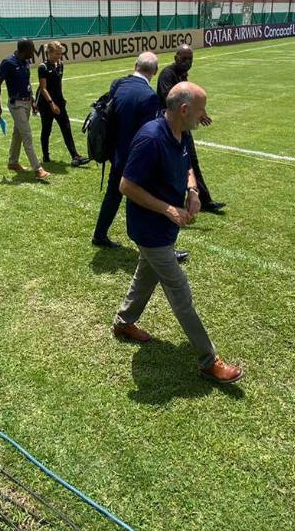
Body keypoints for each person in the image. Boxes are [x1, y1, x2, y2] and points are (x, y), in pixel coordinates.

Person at [111, 81, 243, 384]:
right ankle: (210, 361)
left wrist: (192, 190)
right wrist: (169, 209)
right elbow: (126, 186)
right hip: (150, 230)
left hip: (164, 231)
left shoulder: (180, 133)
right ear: (184, 110)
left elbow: (186, 167)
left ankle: (123, 322)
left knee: (145, 277)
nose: (204, 115)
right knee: (180, 292)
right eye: (201, 109)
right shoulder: (150, 139)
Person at [91, 51, 161, 248]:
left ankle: (99, 234)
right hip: (134, 158)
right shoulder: (150, 97)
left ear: (135, 65)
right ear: (155, 71)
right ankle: (157, 247)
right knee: (148, 202)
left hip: (116, 153)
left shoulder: (117, 84)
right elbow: (149, 134)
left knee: (113, 195)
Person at [156, 45, 225, 213]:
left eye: (190, 60)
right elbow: (170, 102)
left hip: (183, 125)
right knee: (174, 164)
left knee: (191, 161)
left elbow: (190, 99)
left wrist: (199, 114)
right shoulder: (167, 74)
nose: (187, 62)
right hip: (170, 127)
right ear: (176, 57)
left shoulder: (182, 75)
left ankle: (204, 200)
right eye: (184, 58)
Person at [0, 38, 50, 180]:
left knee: (18, 133)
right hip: (16, 104)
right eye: (32, 50)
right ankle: (38, 169)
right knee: (27, 135)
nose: (34, 53)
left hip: (27, 102)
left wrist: (32, 101)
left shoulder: (26, 61)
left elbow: (27, 83)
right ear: (24, 50)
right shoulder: (8, 63)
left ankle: (12, 162)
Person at [37, 41, 89, 168]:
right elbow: (43, 88)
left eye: (60, 54)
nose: (59, 56)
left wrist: (61, 98)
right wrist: (51, 104)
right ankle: (46, 156)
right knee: (46, 129)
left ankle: (75, 157)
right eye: (56, 54)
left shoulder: (60, 65)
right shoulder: (42, 67)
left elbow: (59, 83)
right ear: (49, 53)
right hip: (46, 103)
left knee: (66, 127)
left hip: (59, 102)